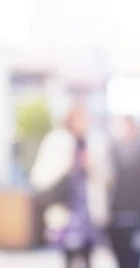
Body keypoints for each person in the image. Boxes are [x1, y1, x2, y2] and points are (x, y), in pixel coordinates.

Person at [30, 102, 111, 268]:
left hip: (88, 210)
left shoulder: (94, 142)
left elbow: (108, 177)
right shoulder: (58, 141)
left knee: (89, 255)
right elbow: (40, 175)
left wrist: (91, 165)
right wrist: (68, 165)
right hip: (66, 209)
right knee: (68, 255)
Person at [107, 117, 140, 268]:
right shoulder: (112, 154)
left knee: (134, 259)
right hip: (116, 216)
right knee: (120, 259)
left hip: (136, 215)